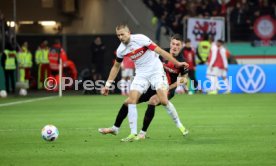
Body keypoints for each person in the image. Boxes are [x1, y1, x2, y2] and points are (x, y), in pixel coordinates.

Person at [100, 25, 189, 142]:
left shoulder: (182, 62)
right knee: (129, 101)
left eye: (178, 44)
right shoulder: (122, 49)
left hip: (159, 78)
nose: (174, 46)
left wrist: (176, 66)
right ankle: (123, 130)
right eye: (118, 35)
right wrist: (107, 85)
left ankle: (178, 126)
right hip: (142, 75)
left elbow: (184, 79)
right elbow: (116, 66)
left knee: (158, 100)